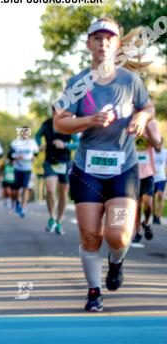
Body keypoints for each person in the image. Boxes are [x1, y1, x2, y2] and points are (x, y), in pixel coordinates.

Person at [53, 18, 155, 313]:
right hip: (87, 170)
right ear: (89, 44)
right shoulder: (77, 83)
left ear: (117, 45)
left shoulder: (130, 81)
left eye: (109, 38)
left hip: (123, 170)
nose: (103, 43)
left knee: (119, 234)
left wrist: (142, 118)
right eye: (97, 38)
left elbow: (148, 106)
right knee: (90, 236)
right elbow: (60, 122)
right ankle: (94, 292)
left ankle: (117, 260)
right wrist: (90, 120)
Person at [36, 115, 78, 234]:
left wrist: (65, 145)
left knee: (63, 193)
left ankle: (59, 222)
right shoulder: (46, 124)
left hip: (65, 162)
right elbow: (37, 135)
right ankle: (51, 217)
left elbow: (77, 143)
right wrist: (40, 144)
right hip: (50, 161)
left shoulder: (70, 124)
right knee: (50, 190)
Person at [134, 119, 162, 242]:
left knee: (148, 203)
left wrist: (147, 131)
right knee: (137, 204)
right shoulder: (130, 121)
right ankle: (137, 232)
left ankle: (146, 223)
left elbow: (158, 147)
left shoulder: (152, 124)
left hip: (148, 171)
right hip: (133, 171)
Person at [6, 127, 39, 218]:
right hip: (17, 169)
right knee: (15, 191)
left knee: (25, 188)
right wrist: (16, 158)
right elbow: (9, 155)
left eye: (26, 133)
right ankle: (17, 202)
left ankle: (23, 207)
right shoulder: (14, 143)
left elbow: (36, 154)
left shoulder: (32, 143)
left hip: (27, 169)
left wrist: (34, 158)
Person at [154, 134, 166, 225]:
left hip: (161, 177)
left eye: (159, 143)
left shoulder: (165, 152)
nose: (157, 145)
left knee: (160, 197)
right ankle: (154, 215)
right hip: (151, 178)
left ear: (161, 143)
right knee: (152, 198)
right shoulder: (150, 151)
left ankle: (158, 217)